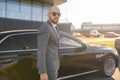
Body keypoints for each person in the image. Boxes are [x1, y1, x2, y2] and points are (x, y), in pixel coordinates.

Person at [37, 6, 61, 80]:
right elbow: (41, 51)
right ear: (48, 15)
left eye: (58, 14)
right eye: (54, 14)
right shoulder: (45, 27)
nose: (56, 16)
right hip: (48, 69)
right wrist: (43, 72)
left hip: (54, 67)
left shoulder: (55, 27)